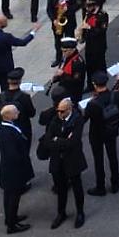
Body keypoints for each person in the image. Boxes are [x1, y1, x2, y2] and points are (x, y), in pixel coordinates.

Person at [40, 94, 87, 229]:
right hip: (57, 160)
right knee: (61, 189)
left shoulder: (77, 120)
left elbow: (73, 142)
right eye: (58, 111)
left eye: (62, 111)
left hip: (73, 159)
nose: (59, 113)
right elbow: (48, 141)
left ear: (69, 109)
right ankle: (61, 213)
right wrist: (63, 140)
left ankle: (80, 212)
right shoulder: (55, 119)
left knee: (77, 187)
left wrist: (57, 140)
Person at [84, 72, 119, 196]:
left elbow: (85, 118)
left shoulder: (92, 104)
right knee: (113, 156)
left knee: (98, 160)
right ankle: (115, 183)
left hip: (97, 134)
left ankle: (100, 186)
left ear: (95, 85)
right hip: (111, 130)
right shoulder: (114, 96)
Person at [0, 102, 33, 233]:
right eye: (16, 112)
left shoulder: (5, 127)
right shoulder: (8, 133)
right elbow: (13, 154)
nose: (18, 112)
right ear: (9, 116)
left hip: (8, 169)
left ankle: (10, 218)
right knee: (13, 197)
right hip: (13, 170)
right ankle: (12, 225)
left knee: (9, 195)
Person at [0, 14, 41, 80]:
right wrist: (33, 31)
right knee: (5, 88)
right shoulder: (6, 37)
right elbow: (23, 42)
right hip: (5, 68)